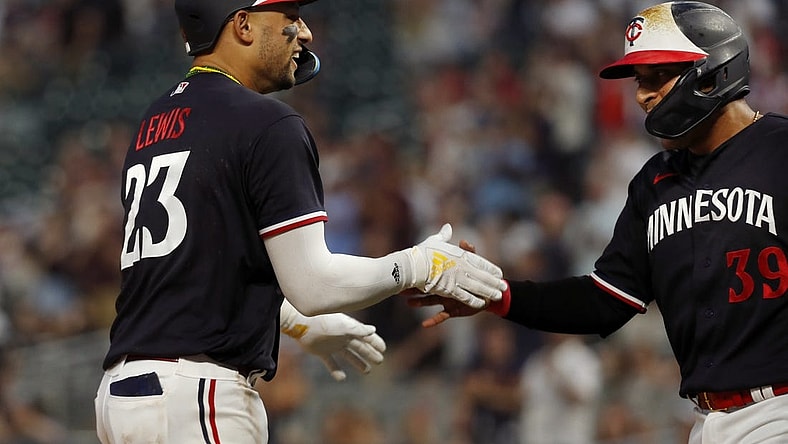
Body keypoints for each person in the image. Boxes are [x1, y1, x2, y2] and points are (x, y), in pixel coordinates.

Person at [93, 0, 508, 442]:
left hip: (127, 396)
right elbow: (314, 285)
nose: (305, 32)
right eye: (289, 17)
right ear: (244, 25)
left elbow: (194, 273)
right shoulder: (267, 122)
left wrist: (292, 322)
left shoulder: (153, 123)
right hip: (196, 397)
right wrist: (419, 266)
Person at [409, 2, 788, 442]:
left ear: (713, 70)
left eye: (655, 77)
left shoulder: (779, 152)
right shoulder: (654, 182)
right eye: (640, 81)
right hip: (707, 423)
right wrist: (499, 295)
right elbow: (605, 299)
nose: (642, 95)